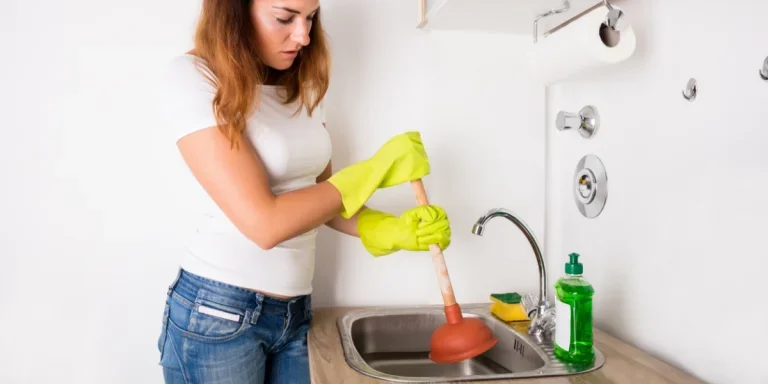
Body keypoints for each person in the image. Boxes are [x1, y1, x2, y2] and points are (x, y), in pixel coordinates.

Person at [155, 1, 453, 383]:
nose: (303, 36)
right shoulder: (192, 76)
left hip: (296, 312)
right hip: (219, 315)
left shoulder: (303, 79)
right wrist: (374, 171)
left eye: (310, 17)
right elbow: (264, 224)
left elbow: (320, 198)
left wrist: (389, 229)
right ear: (234, 12)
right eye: (284, 18)